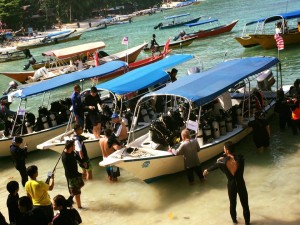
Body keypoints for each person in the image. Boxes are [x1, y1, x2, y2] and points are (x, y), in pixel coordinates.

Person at [203, 141, 250, 225]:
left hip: (231, 185)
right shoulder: (241, 158)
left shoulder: (222, 162)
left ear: (227, 150)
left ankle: (235, 222)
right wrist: (226, 156)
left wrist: (207, 170)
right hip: (240, 183)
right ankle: (247, 223)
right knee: (245, 205)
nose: (223, 150)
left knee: (232, 204)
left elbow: (214, 166)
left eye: (224, 148)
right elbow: (234, 158)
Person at [61, 140, 84, 209]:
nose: (75, 146)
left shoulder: (71, 152)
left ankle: (71, 199)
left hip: (75, 174)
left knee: (78, 187)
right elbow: (70, 170)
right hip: (71, 176)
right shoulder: (65, 157)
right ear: (71, 147)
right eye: (74, 145)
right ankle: (80, 207)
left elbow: (76, 156)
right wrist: (80, 174)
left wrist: (82, 162)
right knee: (77, 193)